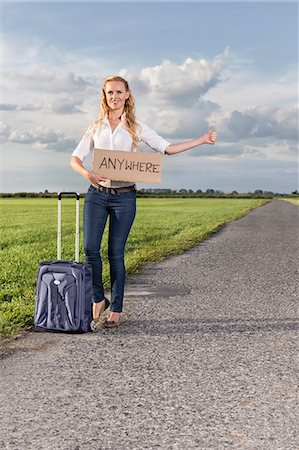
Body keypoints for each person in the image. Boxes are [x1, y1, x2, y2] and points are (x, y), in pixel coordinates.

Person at [70, 75, 218, 330]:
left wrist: (201, 140)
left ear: (127, 95)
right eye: (109, 93)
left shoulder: (136, 127)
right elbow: (75, 158)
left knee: (115, 253)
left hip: (124, 197)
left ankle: (116, 307)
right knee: (90, 248)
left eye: (118, 92)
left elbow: (167, 148)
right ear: (104, 97)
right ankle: (97, 298)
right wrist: (88, 174)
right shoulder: (96, 127)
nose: (114, 97)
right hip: (96, 194)